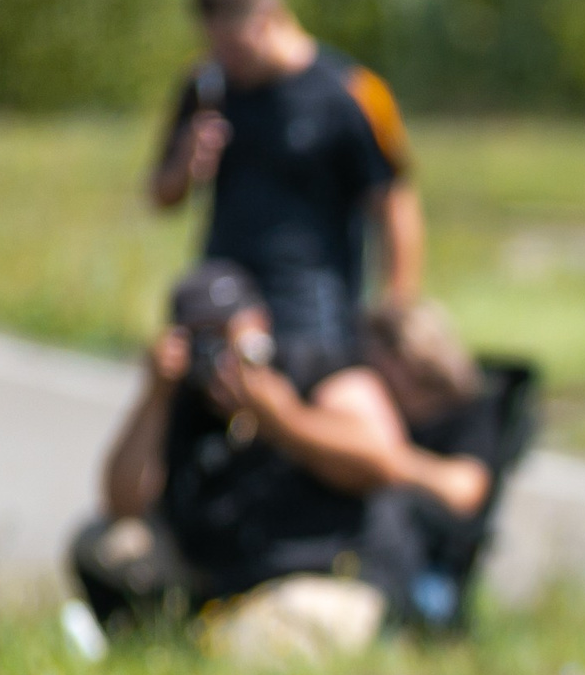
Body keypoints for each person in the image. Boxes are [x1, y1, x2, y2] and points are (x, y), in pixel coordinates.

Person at [76, 261, 492, 632]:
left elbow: (380, 457)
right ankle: (158, 637)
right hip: (215, 567)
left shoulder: (315, 372)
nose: (219, 355)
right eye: (202, 339)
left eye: (227, 335)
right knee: (101, 544)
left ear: (259, 324)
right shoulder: (181, 396)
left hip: (316, 574)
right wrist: (155, 396)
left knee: (252, 645)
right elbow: (122, 504)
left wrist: (284, 420)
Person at [149, 0, 423, 392]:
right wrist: (186, 161)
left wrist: (397, 308)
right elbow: (161, 197)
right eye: (215, 47)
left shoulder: (352, 92)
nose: (225, 60)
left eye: (234, 47)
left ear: (269, 18)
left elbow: (394, 201)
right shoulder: (207, 86)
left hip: (314, 311)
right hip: (223, 296)